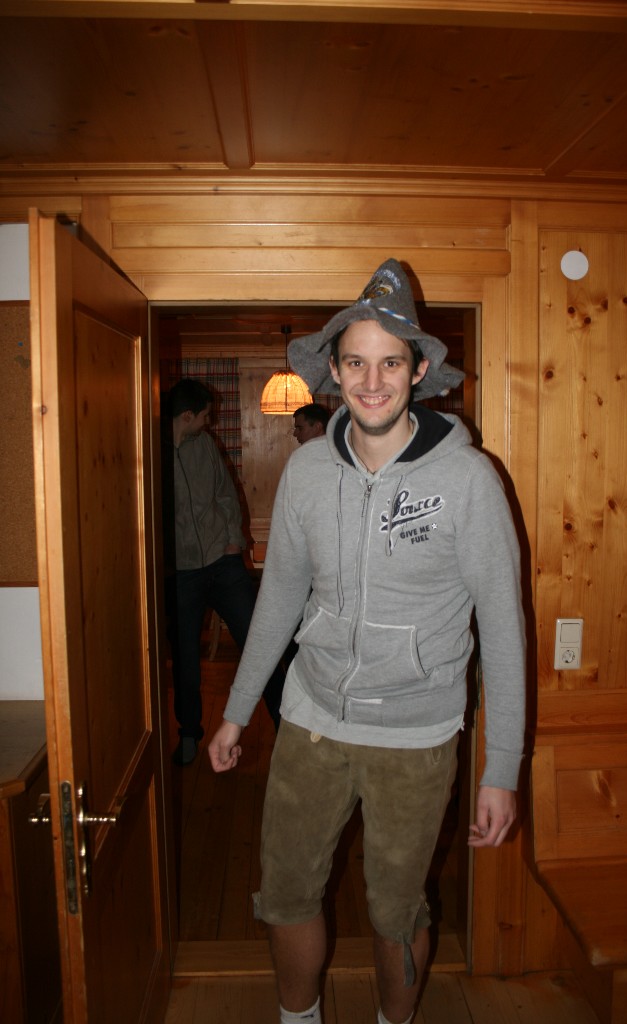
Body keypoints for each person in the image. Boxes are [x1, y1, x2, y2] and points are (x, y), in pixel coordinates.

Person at [208, 259, 526, 1024]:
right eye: (355, 362)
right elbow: (279, 597)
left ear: (418, 371)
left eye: (389, 363)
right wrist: (236, 710)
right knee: (285, 894)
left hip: (416, 737)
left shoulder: (470, 481)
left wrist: (501, 768)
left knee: (394, 910)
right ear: (333, 370)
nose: (372, 381)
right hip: (310, 721)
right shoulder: (306, 472)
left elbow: (503, 624)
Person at [164, 378, 285, 766]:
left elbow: (226, 494)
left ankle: (286, 730)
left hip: (224, 563)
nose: (209, 421)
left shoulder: (205, 445)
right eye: (205, 415)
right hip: (181, 573)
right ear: (187, 415)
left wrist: (233, 540)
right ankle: (189, 734)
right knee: (185, 660)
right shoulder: (149, 450)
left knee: (260, 645)